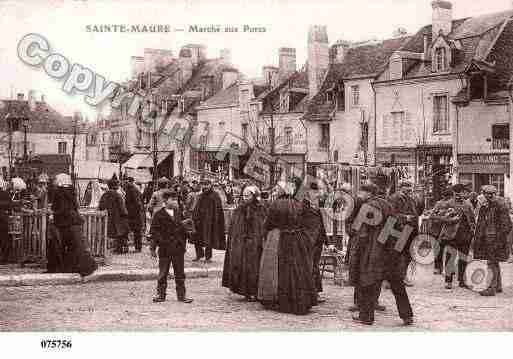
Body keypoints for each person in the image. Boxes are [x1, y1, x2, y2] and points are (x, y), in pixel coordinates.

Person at [351, 181, 413, 326]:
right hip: (391, 252)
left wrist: (360, 250)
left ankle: (366, 317)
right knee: (397, 285)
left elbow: (359, 231)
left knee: (368, 283)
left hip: (374, 251)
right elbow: (398, 227)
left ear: (367, 193)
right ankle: (407, 315)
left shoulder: (367, 206)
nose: (359, 195)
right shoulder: (388, 205)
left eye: (361, 192)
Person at [257, 181, 318, 315]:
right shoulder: (302, 204)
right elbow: (310, 222)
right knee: (299, 269)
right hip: (297, 239)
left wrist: (266, 233)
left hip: (281, 238)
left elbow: (268, 223)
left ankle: (283, 300)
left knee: (282, 270)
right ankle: (301, 299)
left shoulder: (276, 204)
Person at [222, 185, 267, 301]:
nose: (245, 198)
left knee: (255, 267)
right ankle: (246, 292)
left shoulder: (260, 208)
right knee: (244, 268)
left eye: (248, 195)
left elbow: (262, 225)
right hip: (243, 244)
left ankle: (256, 291)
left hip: (256, 243)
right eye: (244, 196)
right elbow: (235, 228)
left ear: (254, 195)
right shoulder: (240, 210)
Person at [150, 190, 193, 303]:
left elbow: (184, 229)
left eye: (176, 200)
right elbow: (154, 232)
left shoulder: (179, 213)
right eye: (172, 199)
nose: (175, 202)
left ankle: (181, 296)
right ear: (165, 200)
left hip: (178, 248)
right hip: (165, 249)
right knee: (163, 273)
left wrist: (186, 236)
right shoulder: (159, 215)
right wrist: (153, 248)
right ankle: (161, 294)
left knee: (180, 273)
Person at [51, 174, 97, 277]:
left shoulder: (59, 192)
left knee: (67, 245)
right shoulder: (72, 191)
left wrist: (55, 214)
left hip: (65, 223)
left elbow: (58, 208)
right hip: (74, 221)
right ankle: (83, 265)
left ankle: (67, 266)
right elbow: (75, 206)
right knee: (77, 245)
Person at [433, 184, 475, 289]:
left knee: (463, 259)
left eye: (462, 192)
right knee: (450, 258)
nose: (460, 195)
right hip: (452, 235)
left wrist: (472, 232)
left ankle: (462, 281)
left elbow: (472, 219)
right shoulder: (447, 204)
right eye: (458, 193)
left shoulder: (468, 204)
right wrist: (450, 220)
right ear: (454, 193)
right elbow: (434, 216)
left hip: (465, 236)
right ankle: (448, 281)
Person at [473, 185, 512, 296]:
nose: (486, 196)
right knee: (493, 262)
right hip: (489, 238)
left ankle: (491, 288)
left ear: (493, 194)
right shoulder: (488, 205)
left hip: (495, 239)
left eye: (489, 194)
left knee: (491, 263)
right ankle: (498, 286)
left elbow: (507, 225)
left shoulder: (500, 205)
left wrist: (499, 239)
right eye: (485, 194)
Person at [298, 179, 329, 304]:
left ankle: (315, 292)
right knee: (309, 267)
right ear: (307, 192)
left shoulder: (314, 204)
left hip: (317, 241)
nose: (318, 194)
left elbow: (320, 224)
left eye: (318, 192)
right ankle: (310, 293)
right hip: (308, 240)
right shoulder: (302, 205)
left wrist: (326, 241)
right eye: (315, 192)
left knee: (314, 266)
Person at [388, 181, 422, 287]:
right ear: (400, 188)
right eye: (406, 187)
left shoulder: (411, 199)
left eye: (410, 187)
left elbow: (417, 212)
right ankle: (392, 278)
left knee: (408, 254)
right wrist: (405, 217)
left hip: (410, 230)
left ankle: (403, 276)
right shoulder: (394, 198)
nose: (409, 189)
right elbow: (391, 214)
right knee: (396, 255)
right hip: (399, 230)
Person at [191, 180, 226, 262]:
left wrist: (215, 221)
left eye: (207, 185)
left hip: (210, 221)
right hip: (200, 220)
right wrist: (195, 217)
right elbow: (196, 207)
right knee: (197, 238)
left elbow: (218, 210)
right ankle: (199, 254)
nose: (205, 187)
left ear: (211, 185)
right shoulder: (200, 195)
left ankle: (208, 257)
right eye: (204, 185)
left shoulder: (215, 195)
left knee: (208, 239)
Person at [99, 178, 130, 254]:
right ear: (115, 186)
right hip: (118, 219)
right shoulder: (117, 195)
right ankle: (119, 249)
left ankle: (109, 248)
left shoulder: (104, 195)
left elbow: (101, 206)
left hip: (108, 219)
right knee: (121, 233)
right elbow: (122, 209)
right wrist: (126, 214)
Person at [125, 177, 145, 252]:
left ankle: (138, 247)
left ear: (131, 182)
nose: (125, 183)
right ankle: (137, 247)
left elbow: (138, 203)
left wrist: (134, 211)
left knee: (137, 231)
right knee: (136, 231)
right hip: (134, 214)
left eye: (127, 182)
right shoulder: (132, 189)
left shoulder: (133, 190)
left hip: (135, 214)